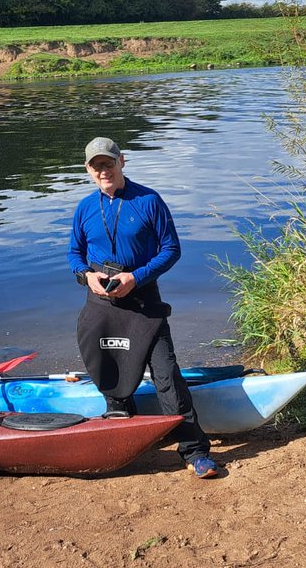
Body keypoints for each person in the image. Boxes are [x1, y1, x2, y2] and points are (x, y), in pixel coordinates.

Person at [68, 135, 219, 478]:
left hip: (143, 299)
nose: (103, 170)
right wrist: (85, 276)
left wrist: (136, 277)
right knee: (109, 368)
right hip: (101, 301)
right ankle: (124, 433)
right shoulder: (85, 208)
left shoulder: (149, 201)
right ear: (88, 170)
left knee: (166, 375)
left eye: (108, 163)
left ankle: (194, 451)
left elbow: (171, 250)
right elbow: (74, 254)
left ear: (122, 161)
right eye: (96, 166)